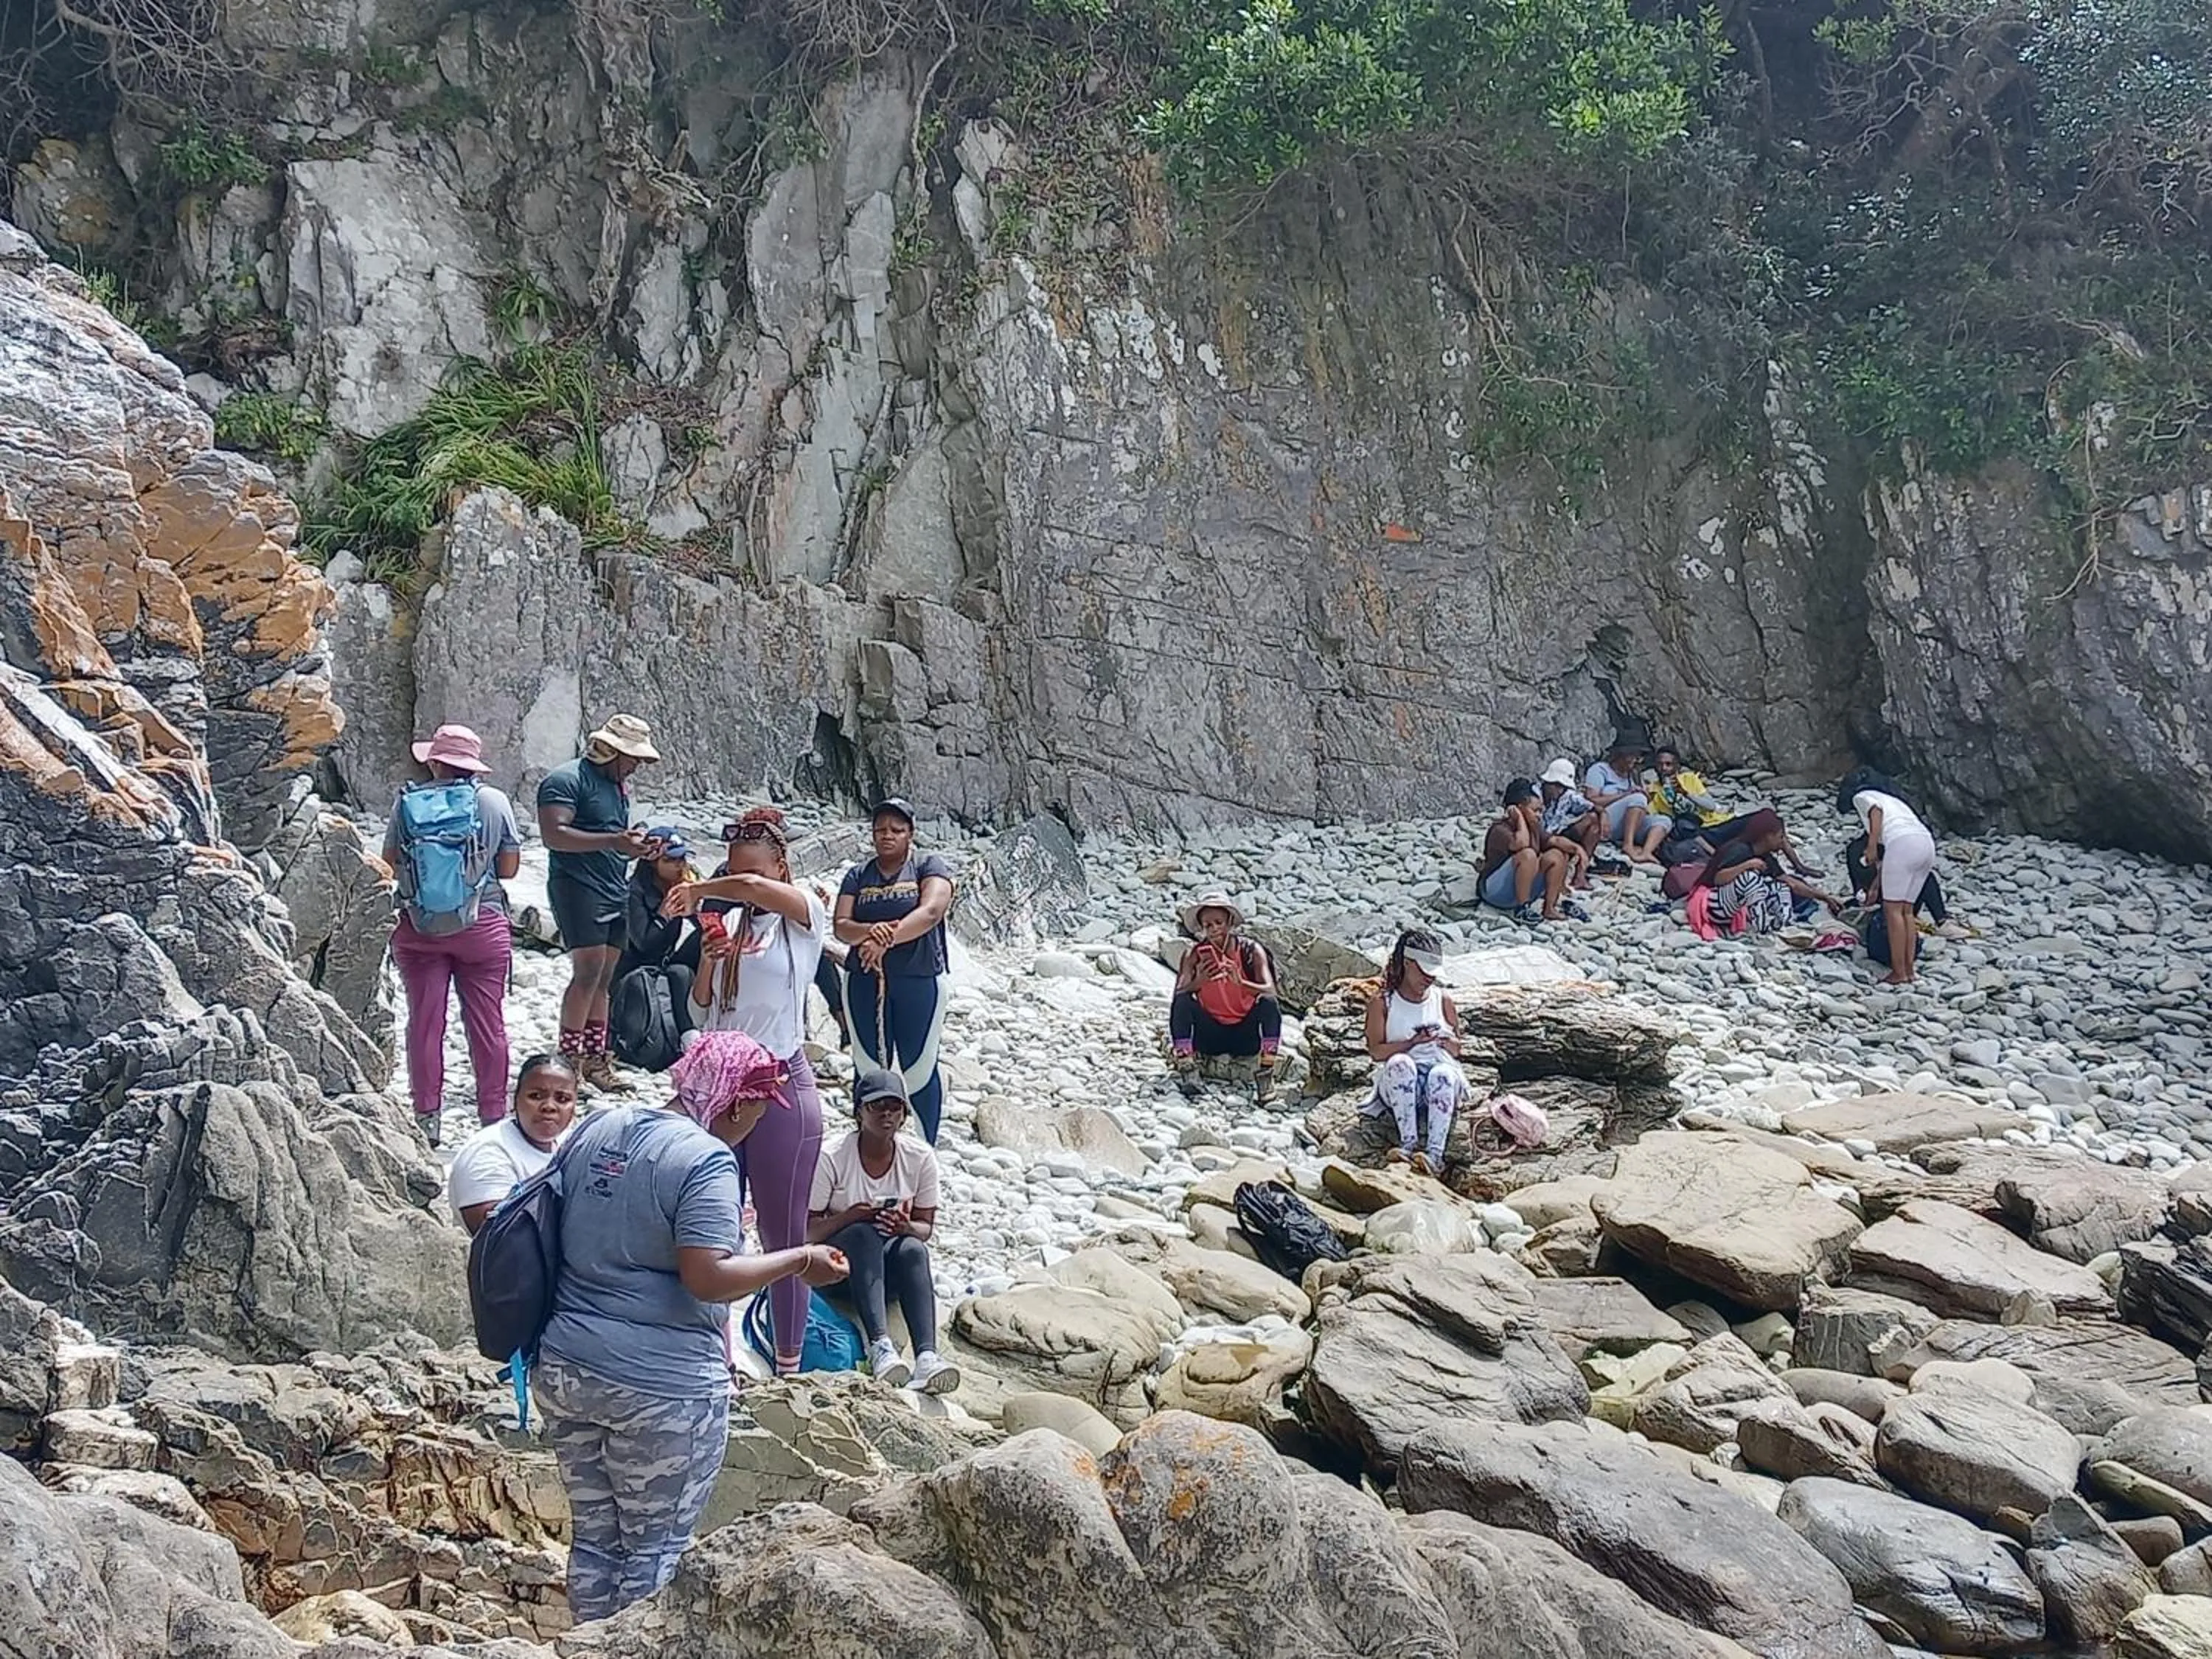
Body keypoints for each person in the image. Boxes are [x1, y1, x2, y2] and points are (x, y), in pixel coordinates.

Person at [535, 1029, 848, 1623]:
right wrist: (798, 1260)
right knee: (655, 1551)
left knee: (595, 1538)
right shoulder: (706, 1161)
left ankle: (586, 1644)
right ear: (737, 1103)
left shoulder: (599, 1127)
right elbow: (707, 1277)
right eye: (761, 1108)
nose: (759, 1122)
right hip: (661, 1389)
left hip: (568, 1367)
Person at [663, 807, 830, 1376]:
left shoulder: (804, 916)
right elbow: (703, 1011)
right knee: (711, 1228)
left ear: (780, 868)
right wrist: (708, 964)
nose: (743, 885)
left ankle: (789, 1365)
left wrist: (701, 890)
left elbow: (754, 890)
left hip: (778, 1079)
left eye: (752, 872)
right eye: (733, 871)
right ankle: (714, 1355)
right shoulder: (730, 924)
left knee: (783, 1234)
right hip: (722, 1083)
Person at [384, 723, 522, 1147]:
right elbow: (508, 869)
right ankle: (493, 1118)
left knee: (425, 1022)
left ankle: (427, 1117)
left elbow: (389, 862)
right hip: (482, 926)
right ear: (474, 765)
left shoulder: (408, 803)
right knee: (488, 1023)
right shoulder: (494, 802)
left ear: (434, 763)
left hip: (420, 928)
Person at [807, 1067, 959, 1393]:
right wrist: (852, 1216)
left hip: (887, 1268)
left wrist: (904, 1226)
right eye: (876, 1106)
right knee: (862, 1235)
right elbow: (808, 1232)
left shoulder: (919, 1158)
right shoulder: (832, 1157)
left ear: (904, 1114)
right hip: (838, 1270)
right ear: (859, 1112)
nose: (886, 1114)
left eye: (894, 1106)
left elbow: (925, 1228)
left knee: (913, 1248)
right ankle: (880, 1346)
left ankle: (927, 1357)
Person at [538, 714, 658, 1093]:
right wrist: (612, 842)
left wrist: (633, 846)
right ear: (614, 752)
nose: (637, 766)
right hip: (577, 887)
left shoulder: (615, 785)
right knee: (587, 971)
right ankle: (569, 1058)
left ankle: (594, 1057)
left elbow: (610, 834)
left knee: (605, 975)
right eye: (633, 758)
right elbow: (553, 835)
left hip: (612, 886)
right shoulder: (566, 780)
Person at [834, 800, 956, 1143]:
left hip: (918, 979)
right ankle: (866, 1143)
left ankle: (926, 1148)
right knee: (868, 1066)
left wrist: (883, 940)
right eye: (881, 829)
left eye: (897, 830)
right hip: (863, 980)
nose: (887, 835)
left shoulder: (927, 866)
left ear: (910, 834)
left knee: (919, 1068)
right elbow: (842, 926)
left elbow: (930, 912)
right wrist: (872, 934)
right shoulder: (858, 875)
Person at [1361, 929, 1469, 1175]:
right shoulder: (1383, 1003)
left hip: (1438, 1077)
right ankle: (1407, 1143)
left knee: (1442, 1074)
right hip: (1399, 1080)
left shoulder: (1442, 1000)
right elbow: (1376, 1052)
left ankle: (1435, 1154)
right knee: (1401, 1063)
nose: (1429, 979)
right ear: (1407, 964)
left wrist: (1446, 1042)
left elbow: (1458, 1049)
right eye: (1423, 972)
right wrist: (1411, 1043)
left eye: (1433, 974)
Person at [445, 1054, 580, 1234]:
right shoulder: (488, 1153)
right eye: (536, 1096)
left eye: (562, 1099)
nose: (549, 1106)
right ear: (515, 1100)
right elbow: (496, 1236)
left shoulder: (569, 1145)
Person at [1166, 894, 1282, 1102]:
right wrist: (1200, 981)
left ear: (1229, 922)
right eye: (1208, 925)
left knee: (1268, 1003)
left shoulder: (1251, 950)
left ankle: (1266, 1075)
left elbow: (1270, 990)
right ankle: (1188, 1070)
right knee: (1182, 1002)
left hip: (1245, 1035)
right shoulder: (1193, 954)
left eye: (1218, 923)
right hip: (1209, 1034)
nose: (1214, 929)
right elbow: (1180, 993)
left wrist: (1241, 983)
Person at [608, 828, 702, 1073]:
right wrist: (663, 915)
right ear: (653, 863)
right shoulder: (634, 892)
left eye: (682, 859)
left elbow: (705, 926)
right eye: (671, 860)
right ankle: (688, 1040)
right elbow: (644, 943)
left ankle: (700, 1031)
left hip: (664, 962)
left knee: (704, 941)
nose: (680, 865)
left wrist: (696, 907)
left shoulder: (680, 885)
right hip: (635, 970)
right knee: (679, 974)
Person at [1839, 768, 1941, 986]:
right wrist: (1877, 884)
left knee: (1893, 911)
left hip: (1902, 844)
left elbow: (1875, 812)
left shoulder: (1863, 796)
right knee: (1907, 911)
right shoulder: (1894, 800)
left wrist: (1871, 846)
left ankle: (1898, 972)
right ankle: (1910, 971)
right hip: (1925, 844)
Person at [1700, 811, 1845, 934]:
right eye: (1780, 837)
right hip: (1714, 906)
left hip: (1735, 906)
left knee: (1781, 886)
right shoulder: (1739, 850)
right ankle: (1761, 928)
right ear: (1768, 836)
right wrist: (1747, 865)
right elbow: (1718, 878)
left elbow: (1791, 883)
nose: (1782, 843)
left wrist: (1825, 897)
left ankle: (1783, 926)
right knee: (1750, 879)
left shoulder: (1767, 858)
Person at [1479, 781, 1584, 923]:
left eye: (1540, 811)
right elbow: (1521, 844)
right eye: (1534, 811)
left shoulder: (1534, 828)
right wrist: (1520, 819)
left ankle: (1549, 908)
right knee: (1528, 855)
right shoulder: (1500, 830)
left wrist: (1578, 849)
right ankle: (1522, 909)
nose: (1539, 815)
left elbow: (1555, 840)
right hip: (1495, 892)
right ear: (1518, 809)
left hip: (1521, 890)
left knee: (1557, 855)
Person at [1584, 738, 1668, 863]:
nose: (1635, 760)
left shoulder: (1633, 775)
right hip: (1606, 820)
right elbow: (1591, 799)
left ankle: (1646, 852)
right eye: (1632, 756)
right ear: (1620, 755)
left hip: (1627, 824)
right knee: (1637, 798)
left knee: (1664, 820)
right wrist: (1625, 794)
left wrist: (1645, 795)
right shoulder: (1600, 770)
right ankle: (1628, 846)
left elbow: (1639, 806)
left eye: (1637, 757)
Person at [1538, 759, 1604, 875]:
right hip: (1542, 838)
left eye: (1562, 787)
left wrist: (1604, 815)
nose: (1560, 791)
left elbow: (1590, 806)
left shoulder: (1566, 795)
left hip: (1558, 834)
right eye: (1557, 786)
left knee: (1593, 819)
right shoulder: (1535, 796)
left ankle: (1580, 873)